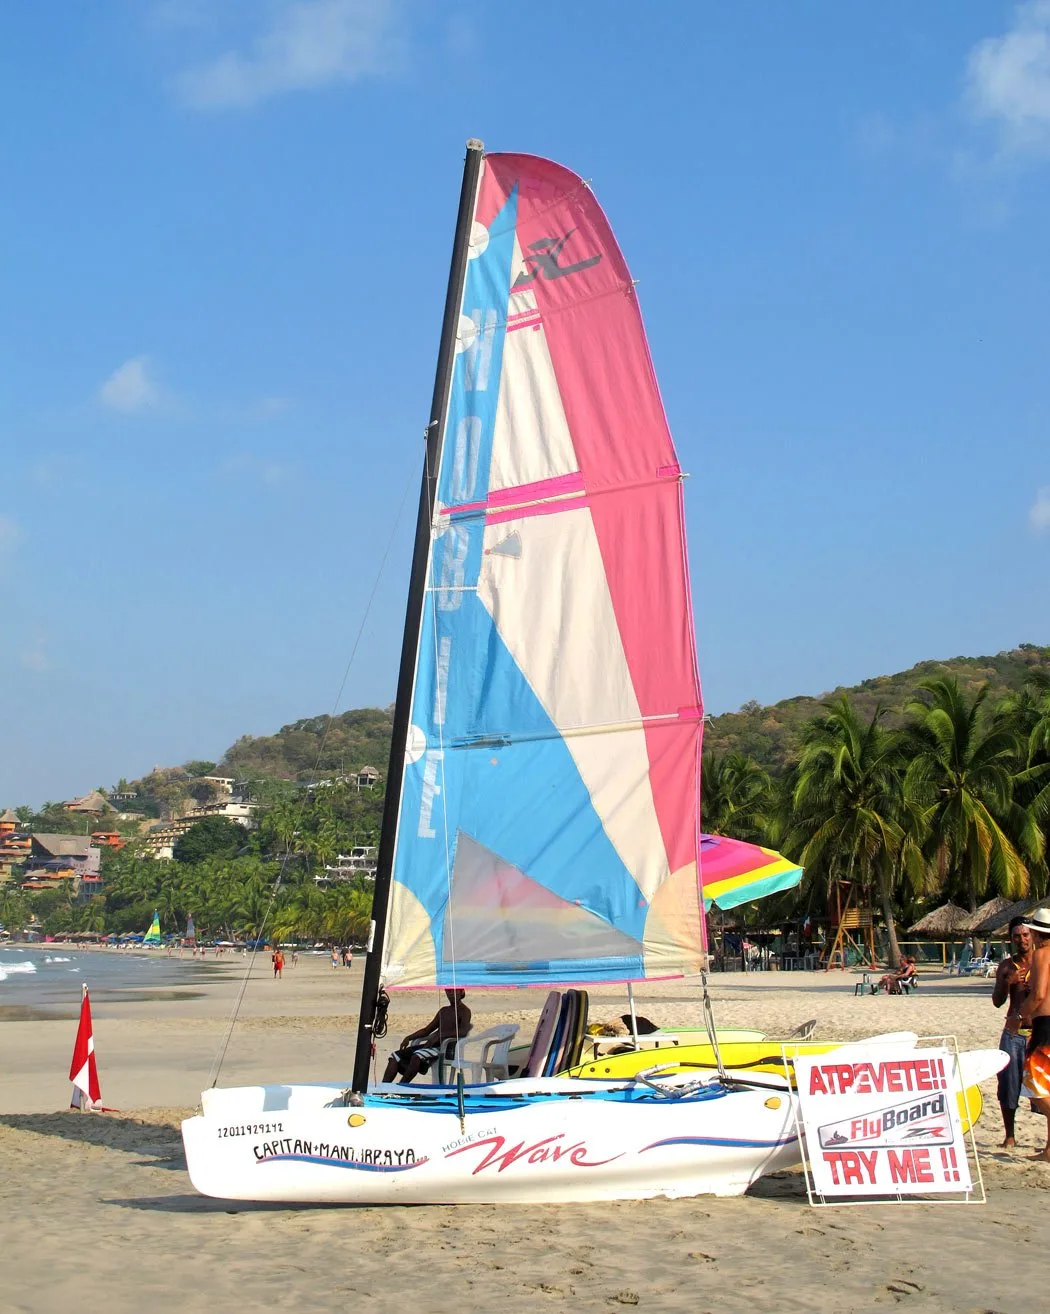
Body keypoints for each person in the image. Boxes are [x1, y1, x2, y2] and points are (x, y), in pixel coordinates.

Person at [992, 916, 1033, 1147]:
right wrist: (1008, 982)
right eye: (1017, 936)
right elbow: (997, 1001)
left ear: (1032, 936)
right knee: (1008, 1083)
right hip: (1014, 1033)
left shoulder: (1043, 961)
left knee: (1042, 1086)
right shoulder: (1007, 966)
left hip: (1039, 1032)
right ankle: (1010, 1135)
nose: (1022, 939)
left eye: (1026, 935)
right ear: (1011, 939)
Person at [382, 988, 472, 1084]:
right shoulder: (444, 1011)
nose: (450, 993)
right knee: (395, 1056)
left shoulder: (464, 1011)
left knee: (417, 1056)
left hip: (445, 1049)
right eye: (448, 991)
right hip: (430, 1046)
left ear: (461, 991)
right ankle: (383, 1087)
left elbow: (463, 1032)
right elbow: (427, 1030)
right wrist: (409, 1037)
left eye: (454, 991)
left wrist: (440, 1036)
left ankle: (402, 1086)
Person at [1019, 906, 1050, 1161]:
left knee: (1036, 1088)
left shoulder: (1041, 955)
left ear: (1037, 934)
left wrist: (1019, 1015)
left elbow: (1039, 994)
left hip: (1046, 1026)